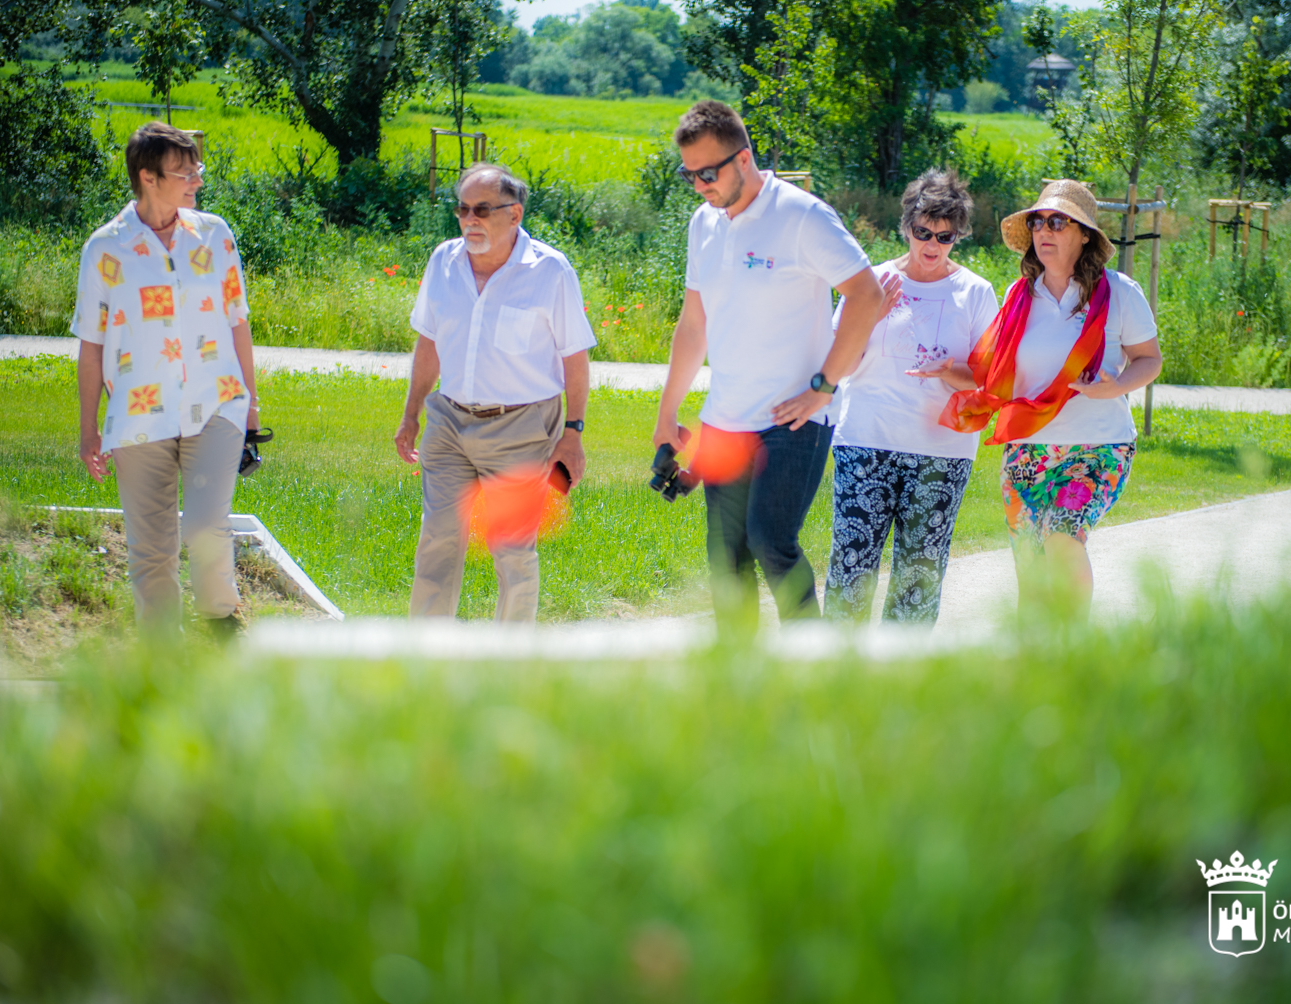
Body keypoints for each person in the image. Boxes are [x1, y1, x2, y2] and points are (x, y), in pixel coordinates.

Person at [653, 100, 885, 630]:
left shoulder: (801, 215)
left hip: (793, 417)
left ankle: (815, 667)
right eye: (688, 175)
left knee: (770, 541)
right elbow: (693, 323)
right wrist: (669, 412)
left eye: (707, 173)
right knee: (726, 559)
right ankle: (741, 683)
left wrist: (824, 387)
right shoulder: (703, 223)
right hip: (726, 419)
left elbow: (866, 295)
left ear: (743, 158)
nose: (699, 186)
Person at [933, 179, 1162, 616]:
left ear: (1085, 235)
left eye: (1058, 222)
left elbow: (1149, 360)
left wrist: (1116, 386)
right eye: (1038, 222)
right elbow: (998, 374)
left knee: (1062, 532)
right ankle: (1037, 663)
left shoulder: (1119, 293)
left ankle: (1074, 646)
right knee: (1032, 568)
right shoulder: (1019, 297)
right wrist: (950, 372)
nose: (1045, 231)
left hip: (1098, 447)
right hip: (1027, 451)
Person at [72, 122, 260, 635]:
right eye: (184, 171)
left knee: (205, 527)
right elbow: (90, 345)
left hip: (217, 402)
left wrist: (252, 403)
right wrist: (89, 429)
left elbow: (237, 319)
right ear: (148, 177)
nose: (196, 180)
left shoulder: (215, 234)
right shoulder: (105, 249)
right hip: (138, 413)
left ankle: (222, 627)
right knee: (151, 545)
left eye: (196, 168)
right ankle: (160, 660)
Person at [395, 163, 596, 622]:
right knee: (438, 540)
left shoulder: (550, 271)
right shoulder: (442, 262)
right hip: (447, 422)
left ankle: (510, 660)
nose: (470, 219)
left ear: (515, 214)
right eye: (463, 209)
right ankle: (426, 655)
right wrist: (411, 414)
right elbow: (428, 342)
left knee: (512, 549)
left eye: (483, 209)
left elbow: (574, 357)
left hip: (522, 427)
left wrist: (574, 432)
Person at [824, 169, 1001, 625]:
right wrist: (871, 314)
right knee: (850, 568)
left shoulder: (976, 292)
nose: (932, 244)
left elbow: (992, 379)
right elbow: (835, 366)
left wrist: (950, 371)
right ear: (905, 226)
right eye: (923, 231)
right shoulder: (871, 283)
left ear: (958, 236)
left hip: (941, 452)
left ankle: (900, 683)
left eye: (945, 236)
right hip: (866, 441)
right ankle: (834, 678)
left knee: (919, 578)